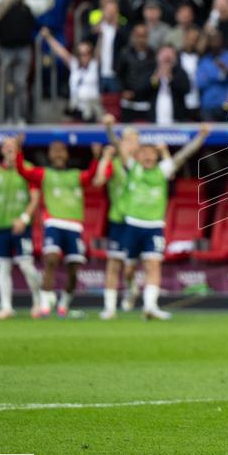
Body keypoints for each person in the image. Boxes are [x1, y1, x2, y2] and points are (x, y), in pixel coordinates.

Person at [107, 124, 210, 320]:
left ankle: (150, 306)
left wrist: (201, 136)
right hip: (132, 225)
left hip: (154, 226)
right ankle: (131, 289)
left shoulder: (163, 170)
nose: (147, 156)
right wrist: (109, 128)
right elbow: (117, 146)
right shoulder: (133, 168)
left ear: (156, 155)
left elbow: (184, 154)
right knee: (128, 268)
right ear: (138, 155)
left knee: (153, 265)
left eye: (151, 153)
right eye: (144, 152)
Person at [15, 139, 113, 317]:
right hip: (53, 223)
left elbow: (91, 176)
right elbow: (22, 170)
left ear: (67, 154)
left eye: (62, 150)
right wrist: (18, 149)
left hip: (74, 226)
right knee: (51, 260)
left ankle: (64, 304)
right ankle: (45, 305)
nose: (59, 154)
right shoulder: (44, 174)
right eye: (54, 150)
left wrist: (97, 157)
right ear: (49, 155)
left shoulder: (76, 175)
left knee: (74, 269)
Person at [0, 137, 42, 319]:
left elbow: (35, 198)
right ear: (1, 150)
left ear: (18, 150)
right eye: (6, 147)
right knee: (2, 266)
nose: (9, 150)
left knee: (26, 265)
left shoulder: (27, 169)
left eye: (13, 147)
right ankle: (6, 306)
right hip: (1, 225)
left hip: (20, 225)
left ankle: (38, 300)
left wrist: (24, 219)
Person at [101, 116, 140, 317]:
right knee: (113, 263)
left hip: (137, 220)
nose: (130, 144)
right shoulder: (114, 163)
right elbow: (99, 181)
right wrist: (109, 129)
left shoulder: (142, 166)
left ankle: (132, 288)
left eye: (134, 140)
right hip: (117, 219)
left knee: (129, 268)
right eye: (126, 140)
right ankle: (109, 308)